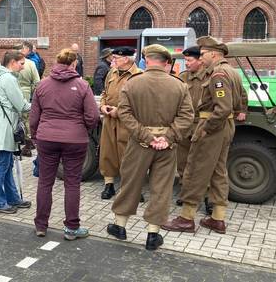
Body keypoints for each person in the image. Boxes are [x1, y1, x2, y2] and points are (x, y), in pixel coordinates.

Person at [105, 44, 194, 251]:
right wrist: (167, 137)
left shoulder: (134, 83)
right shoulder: (179, 85)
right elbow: (187, 116)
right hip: (167, 146)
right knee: (161, 188)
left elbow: (124, 113)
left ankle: (120, 226)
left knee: (131, 183)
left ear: (147, 60)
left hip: (139, 143)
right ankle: (153, 234)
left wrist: (146, 136)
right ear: (166, 63)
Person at [163, 36, 247, 235]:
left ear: (214, 54)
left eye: (203, 54)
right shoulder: (231, 71)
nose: (201, 57)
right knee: (218, 171)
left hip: (213, 127)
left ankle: (186, 218)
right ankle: (217, 218)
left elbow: (223, 108)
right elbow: (236, 102)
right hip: (225, 127)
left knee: (195, 170)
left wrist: (206, 128)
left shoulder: (218, 74)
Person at [31, 48, 100, 239]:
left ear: (56, 63)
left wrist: (35, 136)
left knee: (45, 182)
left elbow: (34, 117)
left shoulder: (43, 85)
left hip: (47, 138)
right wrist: (83, 129)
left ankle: (41, 225)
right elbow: (92, 116)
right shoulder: (82, 85)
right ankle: (71, 227)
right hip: (75, 140)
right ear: (74, 64)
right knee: (72, 183)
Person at [0, 50, 32, 214]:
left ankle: (12, 198)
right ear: (12, 62)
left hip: (2, 123)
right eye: (21, 63)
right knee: (4, 164)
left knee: (7, 163)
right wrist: (39, 105)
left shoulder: (1, 76)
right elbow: (22, 105)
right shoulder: (8, 79)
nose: (23, 66)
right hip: (5, 124)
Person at [173, 46, 214, 213]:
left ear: (200, 61)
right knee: (183, 162)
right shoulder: (182, 77)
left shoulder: (211, 77)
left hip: (203, 125)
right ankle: (186, 194)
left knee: (203, 163)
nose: (187, 64)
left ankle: (208, 198)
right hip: (185, 126)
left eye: (190, 61)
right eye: (186, 60)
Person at [98, 47, 141, 199]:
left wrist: (120, 111)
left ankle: (131, 189)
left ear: (126, 59)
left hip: (128, 122)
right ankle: (108, 185)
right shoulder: (112, 73)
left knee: (128, 155)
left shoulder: (139, 76)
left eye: (115, 58)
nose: (112, 61)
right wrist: (102, 105)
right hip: (109, 120)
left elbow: (140, 102)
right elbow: (105, 92)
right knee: (107, 153)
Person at [16, 41, 41, 157]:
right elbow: (37, 81)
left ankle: (21, 143)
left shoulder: (11, 62)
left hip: (13, 92)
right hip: (25, 94)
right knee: (26, 119)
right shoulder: (31, 64)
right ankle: (28, 143)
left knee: (15, 118)